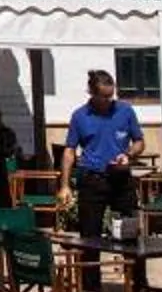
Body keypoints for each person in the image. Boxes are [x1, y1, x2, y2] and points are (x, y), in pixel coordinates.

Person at [58, 69, 145, 240]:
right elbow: (69, 151)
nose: (108, 101)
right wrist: (65, 185)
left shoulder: (125, 111)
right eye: (103, 97)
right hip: (92, 179)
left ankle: (132, 266)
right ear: (92, 93)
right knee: (90, 235)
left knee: (129, 233)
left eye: (110, 96)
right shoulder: (79, 116)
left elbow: (139, 142)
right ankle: (91, 266)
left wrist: (129, 154)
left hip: (120, 177)